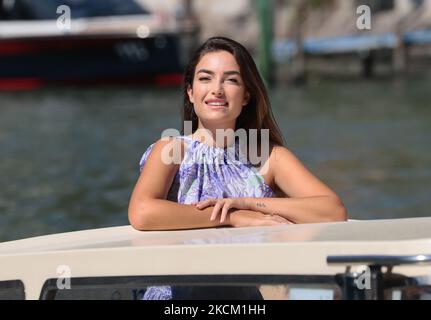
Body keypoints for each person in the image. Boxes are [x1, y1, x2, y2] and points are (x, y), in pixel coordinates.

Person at [128, 37, 347, 300]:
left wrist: (249, 204)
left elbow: (332, 210)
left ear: (246, 96)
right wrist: (230, 217)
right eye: (205, 78)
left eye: (230, 80)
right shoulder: (172, 149)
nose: (217, 90)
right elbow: (142, 212)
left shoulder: (270, 157)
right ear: (190, 92)